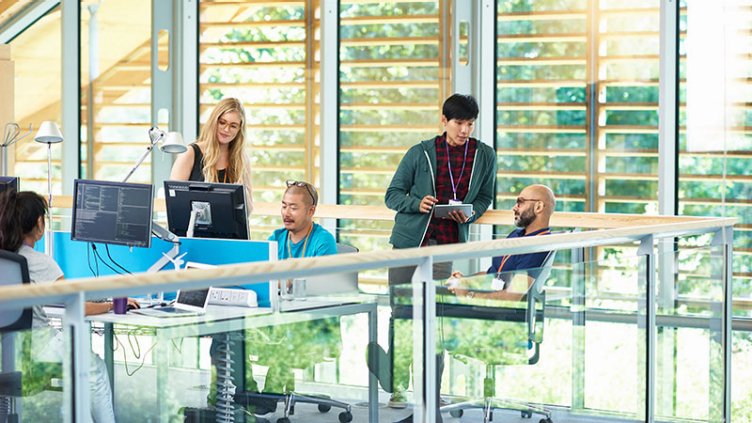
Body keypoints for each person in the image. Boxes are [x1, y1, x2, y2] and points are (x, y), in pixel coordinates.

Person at [380, 93, 497, 423]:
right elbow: (393, 195)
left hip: (445, 249)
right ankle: (397, 386)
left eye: (470, 124)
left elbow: (486, 196)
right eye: (459, 123)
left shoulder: (484, 156)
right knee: (401, 314)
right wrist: (417, 203)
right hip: (409, 245)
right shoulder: (420, 153)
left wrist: (470, 214)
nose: (465, 130)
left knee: (436, 322)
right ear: (443, 121)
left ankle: (432, 391)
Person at [0, 190, 139, 423]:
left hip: (9, 350)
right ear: (39, 223)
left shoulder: (5, 257)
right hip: (40, 347)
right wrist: (111, 305)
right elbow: (78, 306)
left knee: (81, 364)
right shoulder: (39, 262)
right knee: (94, 369)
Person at [234, 180, 339, 416]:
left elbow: (319, 285)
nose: (286, 213)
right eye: (283, 206)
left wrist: (283, 279)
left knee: (282, 333)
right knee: (232, 333)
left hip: (313, 325)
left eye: (293, 207)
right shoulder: (276, 237)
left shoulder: (323, 241)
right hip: (276, 317)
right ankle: (246, 394)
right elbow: (261, 274)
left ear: (311, 211)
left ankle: (268, 399)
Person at [448, 183, 556, 300]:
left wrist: (468, 295)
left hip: (504, 313)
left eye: (520, 203)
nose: (514, 208)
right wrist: (464, 280)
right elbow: (493, 274)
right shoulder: (517, 235)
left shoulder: (538, 246)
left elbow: (513, 296)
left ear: (538, 207)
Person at [169, 96, 254, 212]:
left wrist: (242, 191)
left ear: (239, 129)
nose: (226, 129)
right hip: (191, 229)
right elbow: (173, 201)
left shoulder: (242, 160)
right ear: (214, 122)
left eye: (233, 126)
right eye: (222, 122)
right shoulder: (190, 153)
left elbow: (248, 211)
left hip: (228, 228)